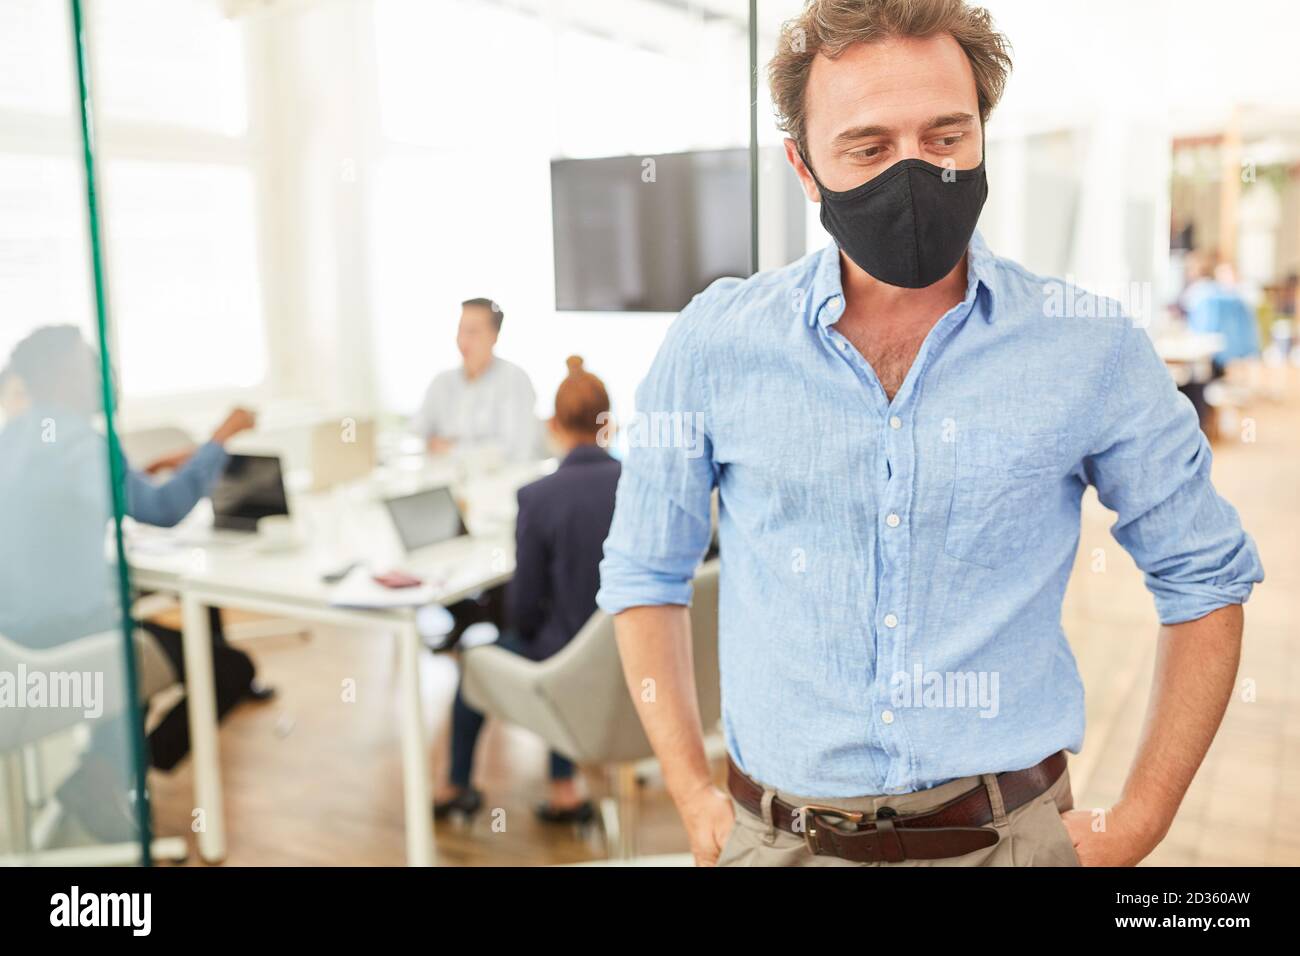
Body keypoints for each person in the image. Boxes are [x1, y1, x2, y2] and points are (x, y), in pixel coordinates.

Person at [597, 0, 1263, 868]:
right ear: (804, 167)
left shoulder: (1087, 347)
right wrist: (689, 791)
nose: (911, 171)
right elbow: (646, 570)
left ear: (983, 135)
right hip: (777, 840)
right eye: (867, 148)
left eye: (945, 138)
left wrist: (1142, 817)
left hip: (1009, 838)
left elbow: (1206, 576)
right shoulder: (716, 344)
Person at [0, 326, 267, 839]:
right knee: (228, 667)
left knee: (132, 642)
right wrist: (221, 436)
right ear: (61, 377)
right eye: (91, 365)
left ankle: (103, 773)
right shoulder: (83, 442)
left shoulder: (13, 436)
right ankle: (101, 775)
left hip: (14, 651)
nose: (107, 375)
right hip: (64, 653)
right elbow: (163, 510)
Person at [434, 356, 620, 825]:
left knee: (480, 660)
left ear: (552, 425)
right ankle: (562, 787)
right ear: (609, 425)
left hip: (565, 659)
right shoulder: (640, 484)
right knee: (568, 645)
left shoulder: (538, 497)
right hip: (629, 652)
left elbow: (523, 607)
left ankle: (457, 784)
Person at [411, 297, 539, 462]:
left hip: (500, 484)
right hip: (446, 483)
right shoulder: (442, 382)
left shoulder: (514, 380)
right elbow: (418, 435)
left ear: (494, 336)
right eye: (460, 330)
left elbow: (513, 451)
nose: (463, 340)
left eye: (472, 332)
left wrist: (452, 449)